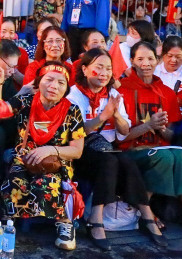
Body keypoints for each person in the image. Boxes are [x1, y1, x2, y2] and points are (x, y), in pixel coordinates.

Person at [68, 48, 167, 248]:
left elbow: (123, 132)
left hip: (108, 148)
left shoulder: (113, 94)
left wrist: (117, 115)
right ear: (85, 70)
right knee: (110, 160)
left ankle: (145, 214)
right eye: (98, 68)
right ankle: (97, 219)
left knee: (124, 160)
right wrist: (102, 117)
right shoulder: (74, 94)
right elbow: (75, 131)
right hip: (81, 150)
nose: (104, 73)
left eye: (108, 69)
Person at [119, 42, 182, 238]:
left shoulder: (166, 92)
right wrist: (148, 125)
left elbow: (171, 136)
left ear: (157, 61)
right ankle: (146, 211)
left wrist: (161, 128)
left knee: (179, 153)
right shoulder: (122, 90)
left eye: (150, 58)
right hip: (131, 150)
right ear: (132, 61)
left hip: (160, 147)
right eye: (140, 59)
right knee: (167, 156)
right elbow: (119, 137)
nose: (146, 63)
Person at [0, 61, 85, 250]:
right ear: (39, 82)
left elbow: (77, 151)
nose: (54, 86)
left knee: (46, 182)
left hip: (55, 162)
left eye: (61, 83)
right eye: (49, 79)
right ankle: (8, 221)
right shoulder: (24, 102)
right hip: (23, 157)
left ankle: (65, 222)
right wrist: (15, 92)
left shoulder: (73, 111)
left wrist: (50, 150)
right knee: (15, 180)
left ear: (67, 88)